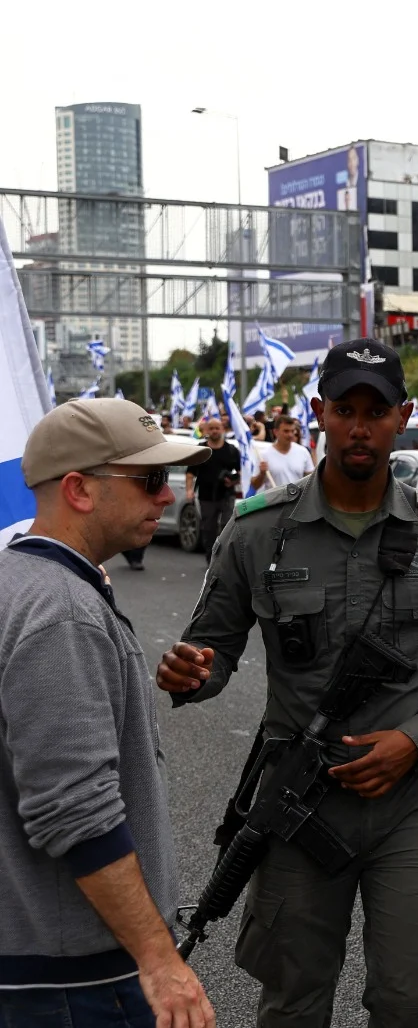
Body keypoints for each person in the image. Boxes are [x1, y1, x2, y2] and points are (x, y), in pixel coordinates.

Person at [155, 338, 418, 1026]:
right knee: (294, 1000)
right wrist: (189, 673)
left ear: (401, 417)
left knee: (411, 998)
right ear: (320, 414)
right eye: (346, 409)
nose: (361, 425)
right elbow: (213, 652)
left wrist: (415, 739)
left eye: (377, 410)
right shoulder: (258, 535)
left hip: (413, 798)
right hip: (300, 800)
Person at [1, 400, 214, 1026]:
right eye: (149, 480)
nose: (167, 498)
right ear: (79, 490)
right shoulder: (60, 610)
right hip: (72, 975)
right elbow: (75, 808)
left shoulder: (25, 582)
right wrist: (158, 958)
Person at [187, 417, 243, 561]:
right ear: (206, 430)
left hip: (227, 495)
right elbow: (190, 472)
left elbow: (242, 472)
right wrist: (189, 490)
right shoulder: (201, 449)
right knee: (209, 528)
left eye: (217, 428)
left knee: (227, 526)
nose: (214, 431)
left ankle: (224, 558)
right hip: (206, 496)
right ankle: (211, 558)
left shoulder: (231, 450)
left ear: (223, 430)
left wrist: (233, 481)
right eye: (211, 428)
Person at [259, 412, 315, 489]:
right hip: (275, 500)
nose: (290, 435)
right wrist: (262, 474)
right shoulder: (264, 454)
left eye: (292, 431)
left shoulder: (303, 452)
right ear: (275, 432)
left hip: (299, 500)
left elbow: (311, 481)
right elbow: (255, 485)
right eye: (286, 431)